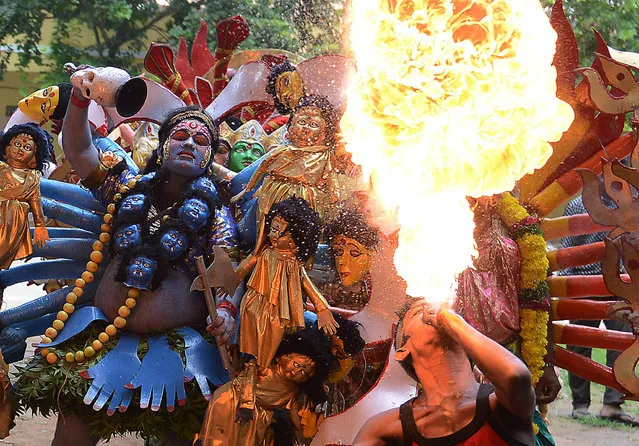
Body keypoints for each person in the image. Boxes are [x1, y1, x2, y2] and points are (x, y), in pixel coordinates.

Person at [15, 78, 240, 445]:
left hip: (182, 355)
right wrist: (78, 99)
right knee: (71, 437)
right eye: (180, 136)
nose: (188, 144)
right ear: (163, 144)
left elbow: (226, 269)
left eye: (201, 142)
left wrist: (227, 311)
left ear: (210, 157)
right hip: (102, 336)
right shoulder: (125, 187)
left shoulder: (217, 213)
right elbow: (78, 149)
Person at [354, 298, 536, 446]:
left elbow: (515, 376)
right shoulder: (386, 428)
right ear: (402, 351)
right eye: (419, 312)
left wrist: (451, 320)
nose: (434, 312)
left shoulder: (499, 404)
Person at [559, 195, 639, 425]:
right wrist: (566, 283)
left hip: (621, 283)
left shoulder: (629, 200)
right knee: (579, 342)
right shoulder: (578, 204)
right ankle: (580, 404)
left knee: (622, 340)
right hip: (584, 281)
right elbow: (568, 246)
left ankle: (612, 405)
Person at [0, 123, 52, 269]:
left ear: (34, 158)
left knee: (19, 206)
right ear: (7, 149)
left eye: (27, 147)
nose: (20, 149)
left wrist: (40, 226)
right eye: (17, 144)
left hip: (12, 226)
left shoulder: (32, 178)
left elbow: (35, 202)